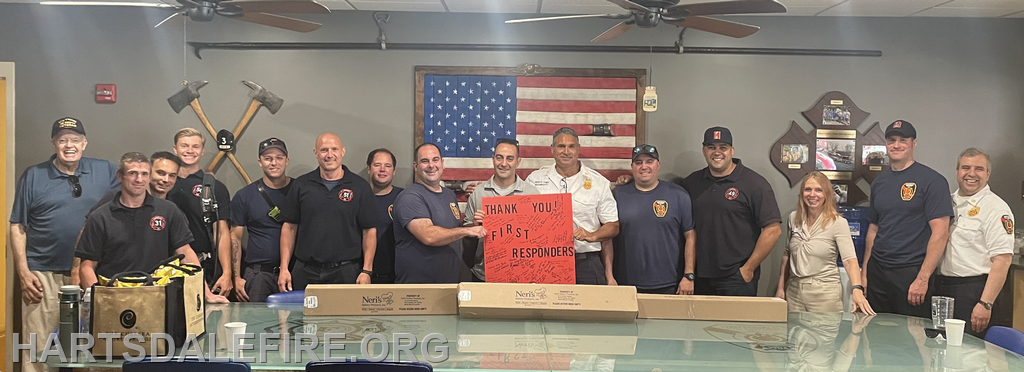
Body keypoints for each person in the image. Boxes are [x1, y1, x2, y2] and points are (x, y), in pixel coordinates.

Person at [10, 117, 118, 372]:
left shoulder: (106, 171)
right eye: (62, 140)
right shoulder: (33, 176)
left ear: (85, 143)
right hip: (42, 275)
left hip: (90, 274)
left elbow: (131, 197)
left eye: (75, 140)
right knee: (38, 351)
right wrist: (23, 272)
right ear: (53, 143)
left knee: (91, 351)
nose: (69, 145)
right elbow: (18, 226)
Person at [75, 152, 227, 304]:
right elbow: (87, 266)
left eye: (144, 174)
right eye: (132, 173)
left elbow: (186, 253)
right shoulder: (100, 216)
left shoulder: (168, 210)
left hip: (157, 297)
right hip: (114, 297)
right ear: (120, 176)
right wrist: (98, 300)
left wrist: (206, 293)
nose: (139, 179)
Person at [862, 120, 952, 317]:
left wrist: (923, 277)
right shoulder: (879, 183)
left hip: (910, 272)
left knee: (912, 338)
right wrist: (865, 272)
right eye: (891, 140)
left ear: (914, 143)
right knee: (877, 334)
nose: (896, 145)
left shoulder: (932, 181)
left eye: (903, 140)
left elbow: (941, 232)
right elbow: (873, 230)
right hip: (878, 270)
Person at [679, 126, 781, 296]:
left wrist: (748, 269)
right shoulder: (692, 182)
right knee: (700, 324)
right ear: (704, 151)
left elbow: (773, 229)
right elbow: (663, 192)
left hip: (737, 277)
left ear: (732, 150)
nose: (717, 152)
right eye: (711, 147)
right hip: (700, 278)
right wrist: (632, 180)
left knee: (736, 324)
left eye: (723, 147)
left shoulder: (754, 184)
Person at [277, 133, 377, 292]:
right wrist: (284, 268)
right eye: (324, 150)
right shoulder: (301, 185)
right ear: (315, 153)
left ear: (342, 151)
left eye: (334, 149)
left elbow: (369, 231)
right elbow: (289, 228)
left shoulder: (360, 187)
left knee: (345, 317)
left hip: (346, 272)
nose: (330, 155)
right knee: (300, 317)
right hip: (305, 271)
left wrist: (366, 270)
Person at [935, 148, 1013, 337]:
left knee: (970, 356)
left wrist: (985, 304)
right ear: (957, 172)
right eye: (965, 168)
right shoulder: (946, 203)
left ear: (988, 174)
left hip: (974, 292)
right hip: (942, 288)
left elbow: (1002, 261)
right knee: (940, 350)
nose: (971, 174)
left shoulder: (995, 208)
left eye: (979, 169)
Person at [526, 127, 619, 285]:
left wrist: (592, 235)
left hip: (587, 263)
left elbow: (613, 225)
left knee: (589, 309)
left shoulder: (598, 183)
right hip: (545, 261)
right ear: (552, 149)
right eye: (561, 146)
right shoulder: (534, 180)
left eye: (571, 146)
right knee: (547, 310)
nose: (566, 151)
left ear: (578, 149)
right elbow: (520, 219)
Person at [776, 172, 874, 314]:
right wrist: (780, 288)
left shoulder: (838, 223)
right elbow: (787, 255)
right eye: (808, 189)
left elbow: (849, 260)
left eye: (819, 190)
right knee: (795, 335)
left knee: (824, 335)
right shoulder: (793, 218)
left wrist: (857, 290)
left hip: (824, 293)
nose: (812, 194)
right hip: (794, 292)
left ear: (827, 194)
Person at [394, 143, 486, 283]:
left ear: (442, 163)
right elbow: (428, 236)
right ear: (415, 166)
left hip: (449, 282)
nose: (431, 165)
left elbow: (451, 233)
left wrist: (472, 226)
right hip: (419, 287)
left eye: (435, 160)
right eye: (425, 161)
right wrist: (467, 231)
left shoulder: (449, 195)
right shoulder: (410, 197)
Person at [612, 144, 696, 294]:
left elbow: (690, 235)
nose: (644, 166)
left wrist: (688, 275)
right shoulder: (617, 195)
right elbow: (608, 239)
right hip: (626, 283)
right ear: (632, 167)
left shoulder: (678, 195)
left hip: (670, 283)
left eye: (649, 161)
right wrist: (610, 277)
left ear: (658, 165)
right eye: (638, 163)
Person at [168, 128, 233, 293]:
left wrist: (227, 272)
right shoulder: (162, 184)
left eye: (195, 146)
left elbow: (222, 232)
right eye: (184, 146)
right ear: (175, 149)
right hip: (166, 266)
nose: (190, 150)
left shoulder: (214, 188)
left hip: (205, 268)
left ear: (202, 151)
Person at [464, 138, 539, 281]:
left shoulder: (532, 194)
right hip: (483, 274)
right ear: (493, 159)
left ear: (518, 162)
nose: (504, 163)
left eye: (509, 158)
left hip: (522, 275)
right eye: (499, 157)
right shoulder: (478, 193)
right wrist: (474, 225)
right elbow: (465, 234)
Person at [229, 138, 293, 302]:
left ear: (287, 161)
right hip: (258, 275)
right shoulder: (244, 196)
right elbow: (235, 237)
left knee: (297, 326)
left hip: (295, 272)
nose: (274, 163)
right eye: (268, 158)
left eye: (279, 157)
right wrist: (236, 277)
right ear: (260, 162)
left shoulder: (301, 191)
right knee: (257, 325)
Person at [367, 148, 402, 284]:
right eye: (377, 165)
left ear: (394, 171)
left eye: (388, 166)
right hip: (362, 273)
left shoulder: (404, 197)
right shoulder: (358, 197)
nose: (383, 169)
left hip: (396, 274)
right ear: (368, 169)